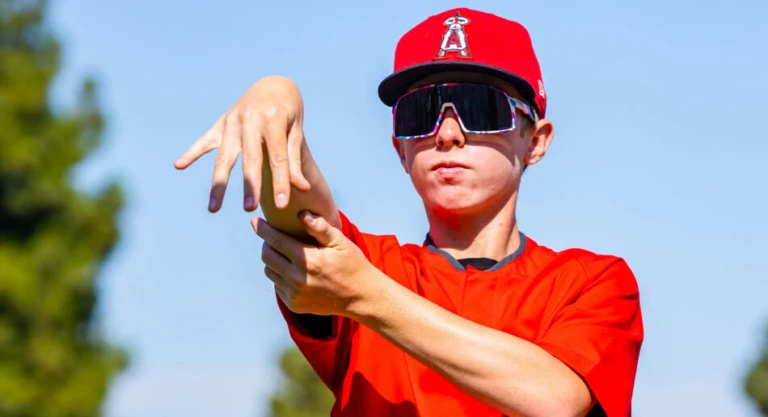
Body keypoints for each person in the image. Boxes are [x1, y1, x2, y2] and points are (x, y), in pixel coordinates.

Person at [175, 7, 644, 417]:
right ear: (400, 149)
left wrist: (365, 296)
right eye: (420, 113)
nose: (447, 133)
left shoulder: (592, 282)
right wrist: (275, 97)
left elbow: (556, 399)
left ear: (535, 141)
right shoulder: (369, 261)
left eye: (480, 108)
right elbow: (295, 198)